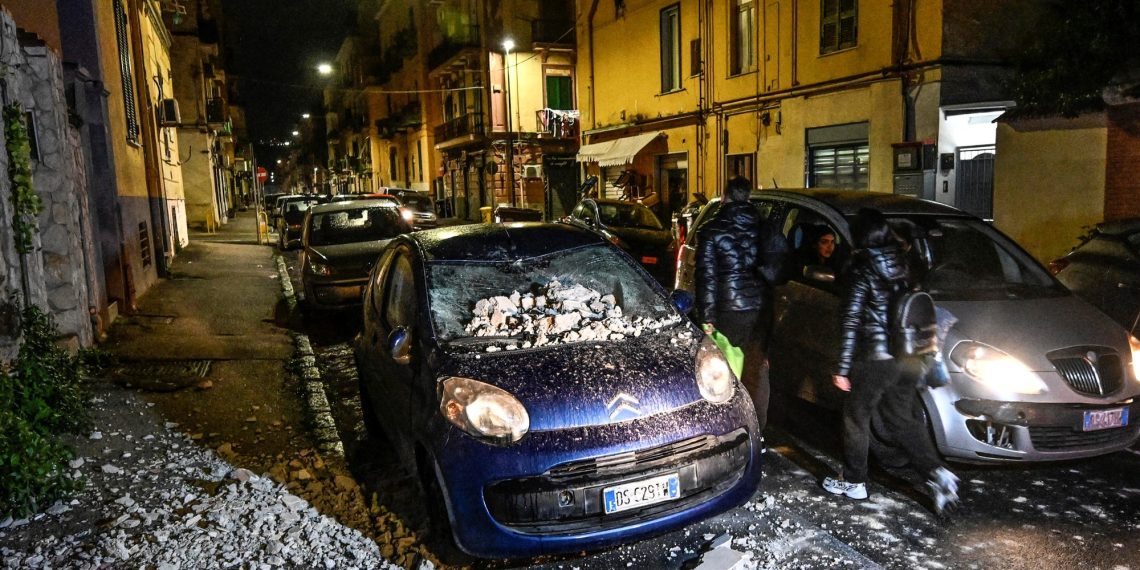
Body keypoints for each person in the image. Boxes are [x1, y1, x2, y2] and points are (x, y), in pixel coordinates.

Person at [822, 208, 959, 513]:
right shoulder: (904, 263)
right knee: (902, 419)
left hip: (877, 357)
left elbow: (852, 320)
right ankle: (938, 473)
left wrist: (842, 368)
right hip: (909, 355)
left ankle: (855, 481)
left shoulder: (862, 270)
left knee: (856, 416)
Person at [695, 176, 781, 434]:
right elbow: (774, 267)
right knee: (757, 371)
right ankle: (758, 433)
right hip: (760, 309)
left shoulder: (712, 230)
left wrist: (706, 318)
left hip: (728, 311)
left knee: (725, 373)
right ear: (749, 198)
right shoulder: (764, 226)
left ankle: (731, 430)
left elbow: (706, 277)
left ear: (724, 197)